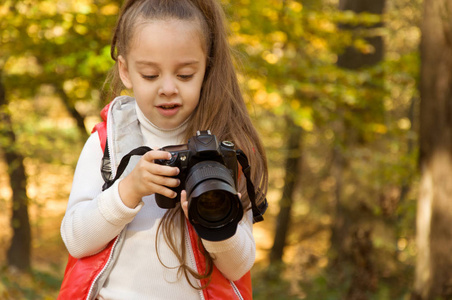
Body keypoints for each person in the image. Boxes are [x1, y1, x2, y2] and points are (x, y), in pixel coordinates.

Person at [58, 0, 268, 299]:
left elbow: (239, 267)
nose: (168, 87)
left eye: (184, 75)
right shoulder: (107, 143)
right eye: (150, 75)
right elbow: (76, 241)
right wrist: (127, 190)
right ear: (126, 71)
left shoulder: (225, 150)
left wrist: (214, 217)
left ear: (206, 69)